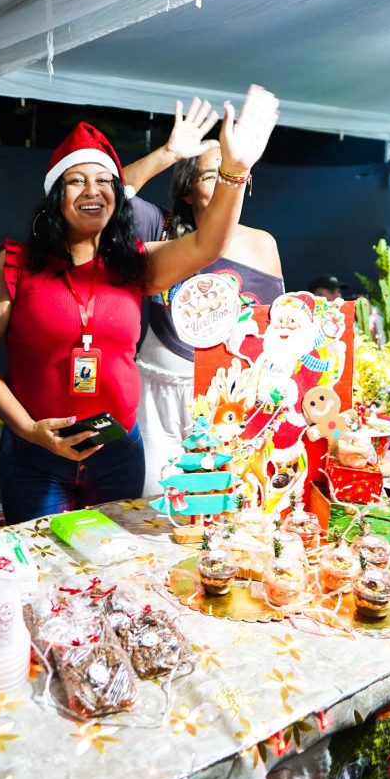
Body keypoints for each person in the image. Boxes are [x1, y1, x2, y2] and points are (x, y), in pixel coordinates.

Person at [0, 85, 279, 524]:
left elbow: (209, 243)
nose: (92, 191)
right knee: (40, 559)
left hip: (117, 452)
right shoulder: (17, 263)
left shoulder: (135, 263)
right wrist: (28, 430)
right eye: (77, 180)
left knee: (116, 558)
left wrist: (234, 172)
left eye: (103, 181)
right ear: (55, 194)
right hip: (37, 454)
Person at [122, 99, 284, 496]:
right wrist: (167, 153)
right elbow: (110, 195)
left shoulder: (262, 244)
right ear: (187, 191)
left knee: (222, 504)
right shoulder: (161, 227)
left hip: (225, 405)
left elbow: (276, 332)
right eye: (213, 175)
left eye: (235, 171)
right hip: (158, 403)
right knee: (155, 502)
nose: (228, 180)